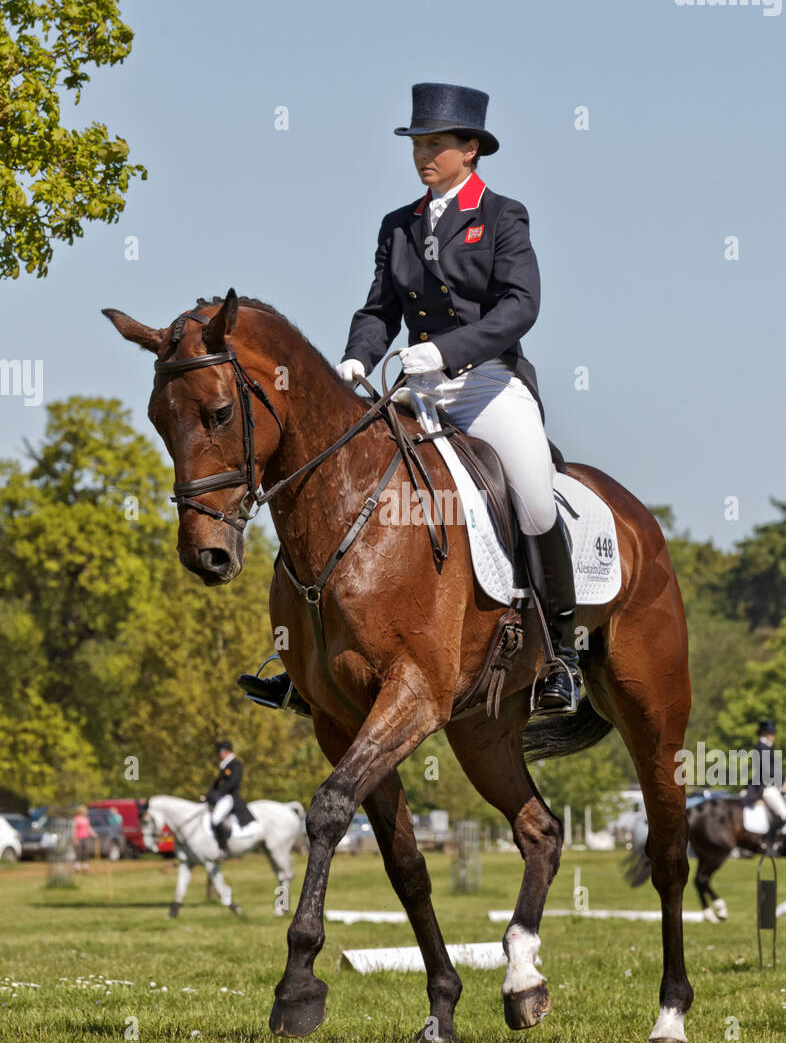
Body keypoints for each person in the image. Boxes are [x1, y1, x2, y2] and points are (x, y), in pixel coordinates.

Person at [241, 82, 579, 715]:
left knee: (533, 498)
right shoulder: (399, 226)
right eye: (418, 143)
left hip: (486, 386)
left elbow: (520, 307)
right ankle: (304, 658)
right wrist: (355, 358)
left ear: (470, 149)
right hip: (414, 389)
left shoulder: (504, 216)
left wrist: (448, 351)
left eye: (436, 144)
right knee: (335, 485)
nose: (423, 154)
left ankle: (560, 655)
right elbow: (379, 310)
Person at [204, 741, 253, 856]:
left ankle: (223, 848)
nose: (218, 754)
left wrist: (217, 793)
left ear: (227, 751)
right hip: (221, 797)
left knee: (215, 819)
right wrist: (208, 795)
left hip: (229, 797)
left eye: (220, 752)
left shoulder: (235, 764)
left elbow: (233, 783)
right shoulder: (224, 765)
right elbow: (217, 783)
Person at [743, 718, 786, 845]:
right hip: (765, 787)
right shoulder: (761, 747)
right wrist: (784, 779)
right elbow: (768, 769)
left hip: (772, 786)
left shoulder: (767, 747)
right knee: (783, 814)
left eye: (773, 733)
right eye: (771, 733)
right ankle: (767, 840)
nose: (773, 736)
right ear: (764, 734)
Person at [72, 805, 97, 872]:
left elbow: (88, 827)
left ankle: (85, 867)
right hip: (79, 838)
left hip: (86, 837)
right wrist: (75, 838)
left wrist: (93, 834)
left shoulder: (86, 818)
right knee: (78, 853)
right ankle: (76, 867)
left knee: (85, 853)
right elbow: (74, 829)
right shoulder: (76, 819)